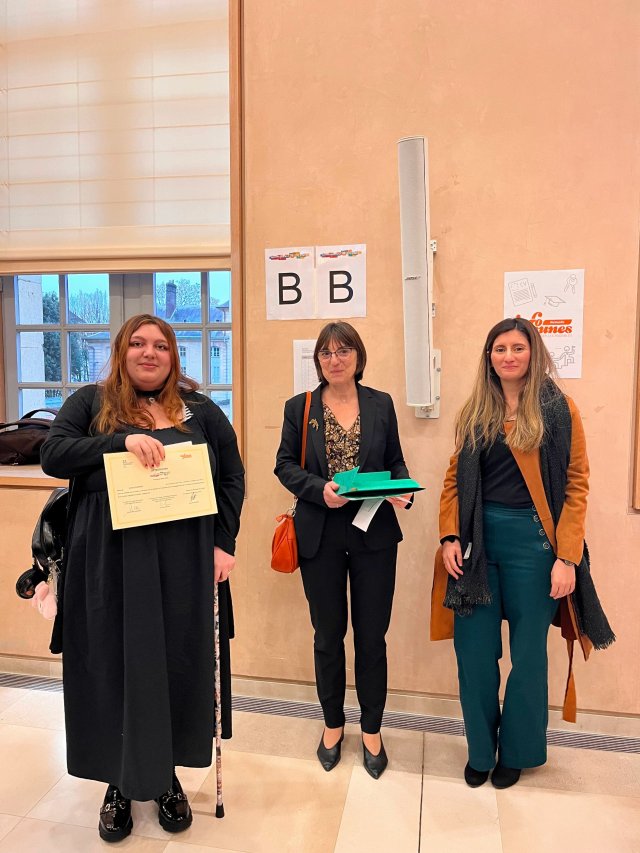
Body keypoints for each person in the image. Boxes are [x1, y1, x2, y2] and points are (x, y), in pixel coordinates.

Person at [40, 314, 244, 842]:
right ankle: (119, 780)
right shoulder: (90, 403)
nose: (149, 353)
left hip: (183, 561)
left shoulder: (199, 410)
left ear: (173, 356)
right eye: (137, 343)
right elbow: (53, 454)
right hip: (108, 560)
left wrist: (224, 542)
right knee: (115, 665)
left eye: (160, 345)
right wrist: (120, 442)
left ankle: (166, 776)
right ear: (121, 351)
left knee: (173, 663)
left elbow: (231, 475)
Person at [432, 317, 614, 790]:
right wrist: (449, 536)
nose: (508, 356)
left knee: (529, 657)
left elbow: (576, 484)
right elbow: (454, 480)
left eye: (517, 347)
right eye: (499, 348)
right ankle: (480, 751)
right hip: (477, 546)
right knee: (473, 654)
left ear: (533, 352)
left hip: (535, 548)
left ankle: (516, 751)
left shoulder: (558, 409)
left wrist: (567, 557)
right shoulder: (476, 410)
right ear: (488, 357)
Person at [274, 321, 412, 779]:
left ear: (358, 356)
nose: (335, 360)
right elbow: (284, 466)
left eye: (343, 350)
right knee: (328, 636)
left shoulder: (381, 403)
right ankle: (332, 724)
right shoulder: (300, 407)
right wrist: (319, 489)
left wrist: (402, 489)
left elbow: (395, 461)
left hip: (374, 534)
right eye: (326, 353)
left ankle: (372, 729)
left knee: (372, 638)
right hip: (320, 534)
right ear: (318, 360)